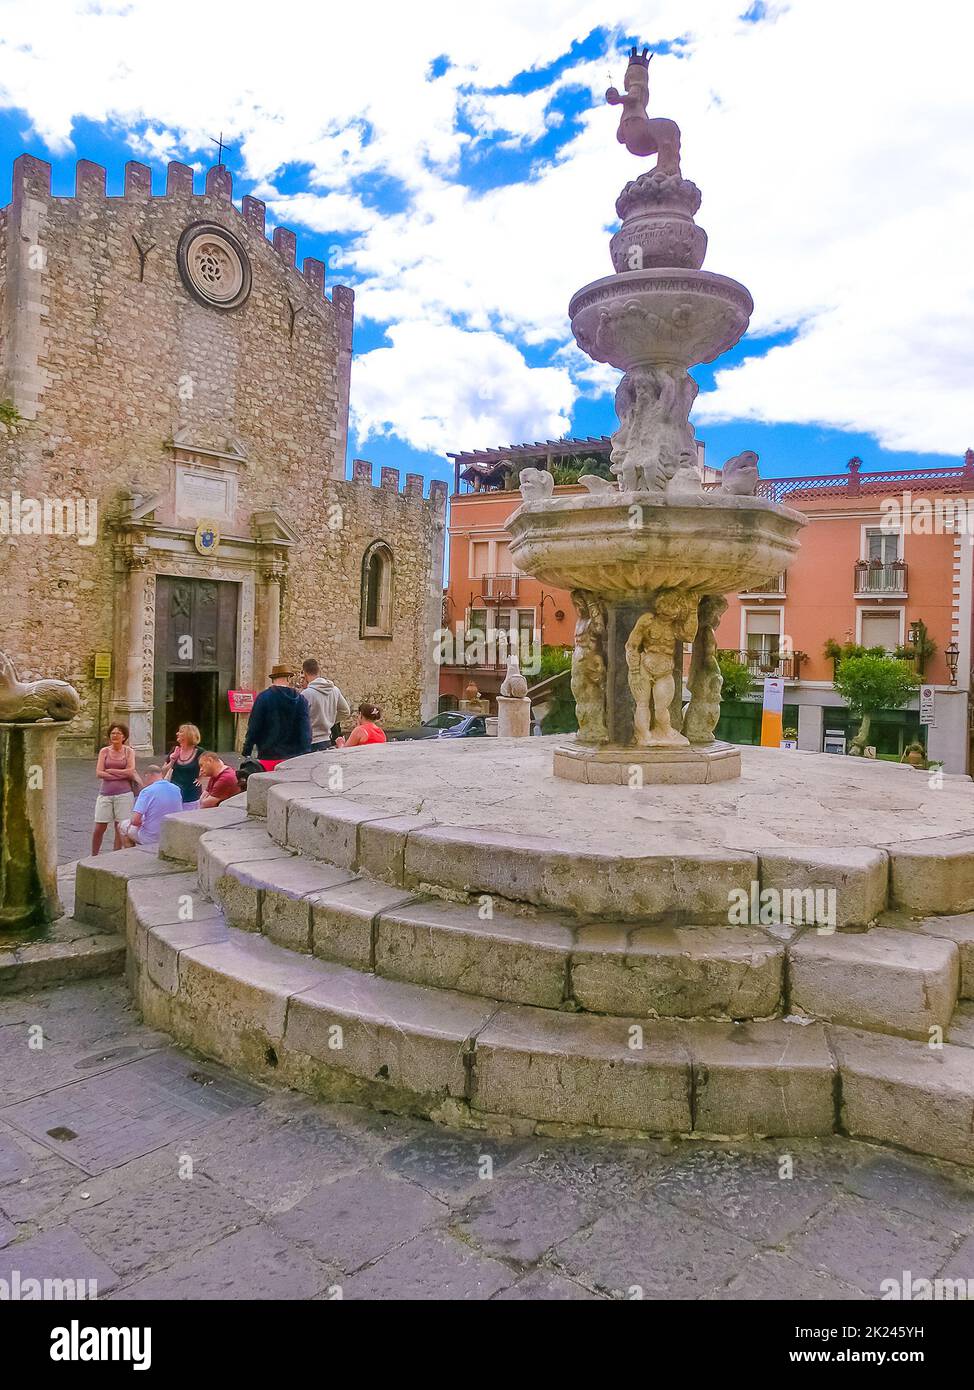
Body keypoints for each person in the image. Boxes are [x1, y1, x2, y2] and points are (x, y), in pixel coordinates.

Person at [242, 663, 312, 769]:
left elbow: (254, 727)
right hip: (293, 758)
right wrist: (306, 752)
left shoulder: (263, 698)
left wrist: (247, 750)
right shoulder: (301, 700)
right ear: (289, 678)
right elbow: (305, 730)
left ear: (273, 679)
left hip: (268, 756)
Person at [92, 723, 141, 855]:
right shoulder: (104, 751)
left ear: (124, 736)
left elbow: (131, 771)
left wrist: (111, 771)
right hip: (105, 793)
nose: (115, 735)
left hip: (124, 794)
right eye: (113, 733)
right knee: (99, 827)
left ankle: (115, 854)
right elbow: (99, 773)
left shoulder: (129, 751)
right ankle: (93, 855)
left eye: (118, 733)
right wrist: (121, 774)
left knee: (120, 827)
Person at [119, 765, 183, 848]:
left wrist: (139, 823)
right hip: (171, 833)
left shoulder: (147, 791)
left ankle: (131, 855)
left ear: (147, 775)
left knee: (122, 826)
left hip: (151, 837)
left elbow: (135, 821)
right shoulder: (176, 789)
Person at [299, 658, 350, 752]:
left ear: (305, 673)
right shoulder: (334, 690)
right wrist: (329, 720)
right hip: (327, 739)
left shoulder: (306, 694)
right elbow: (345, 711)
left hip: (310, 741)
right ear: (318, 671)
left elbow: (298, 719)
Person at [163, 723, 204, 809]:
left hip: (191, 794)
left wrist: (202, 777)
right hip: (174, 792)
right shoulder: (175, 750)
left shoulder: (200, 752)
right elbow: (163, 770)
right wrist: (172, 760)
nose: (177, 733)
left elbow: (215, 765)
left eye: (181, 732)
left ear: (189, 735)